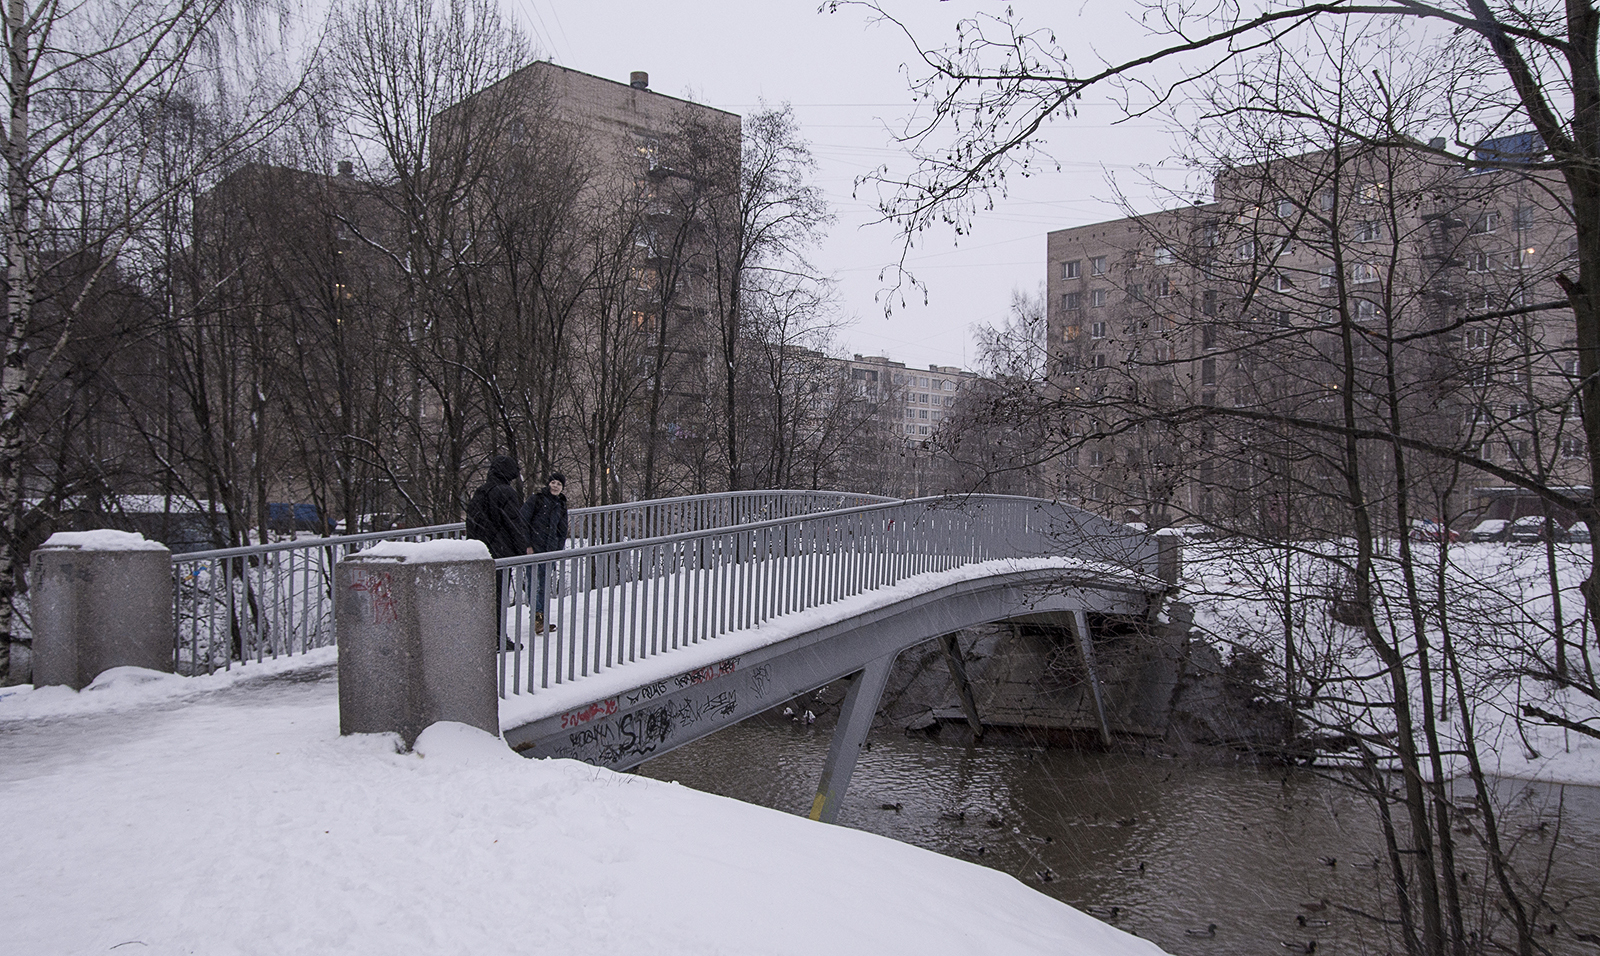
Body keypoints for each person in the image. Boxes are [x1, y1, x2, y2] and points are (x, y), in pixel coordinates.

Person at [464, 455, 528, 640]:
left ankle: (483, 636)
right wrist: (521, 550)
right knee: (499, 595)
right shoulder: (506, 492)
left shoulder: (481, 492)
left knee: (485, 595)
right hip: (500, 552)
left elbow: (472, 523)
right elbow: (513, 523)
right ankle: (497, 636)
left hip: (481, 551)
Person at [520, 472, 569, 634]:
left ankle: (539, 618)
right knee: (534, 583)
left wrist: (558, 549)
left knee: (544, 584)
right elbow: (523, 521)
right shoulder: (537, 499)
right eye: (553, 482)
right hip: (534, 548)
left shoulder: (561, 504)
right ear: (548, 484)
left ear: (562, 488)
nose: (555, 486)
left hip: (550, 550)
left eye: (559, 484)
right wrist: (527, 545)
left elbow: (562, 530)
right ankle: (537, 617)